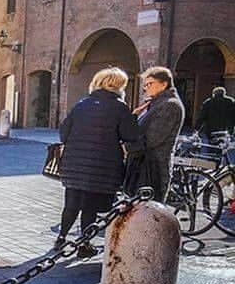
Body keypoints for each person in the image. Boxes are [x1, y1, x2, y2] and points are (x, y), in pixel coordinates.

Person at [56, 67, 142, 246]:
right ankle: (84, 244)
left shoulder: (82, 104)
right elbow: (130, 135)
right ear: (119, 86)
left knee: (71, 204)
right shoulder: (120, 107)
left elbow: (63, 133)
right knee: (90, 208)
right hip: (102, 167)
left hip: (74, 165)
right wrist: (133, 118)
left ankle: (61, 238)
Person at [128, 66, 185, 202]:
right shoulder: (155, 103)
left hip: (154, 170)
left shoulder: (170, 105)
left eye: (150, 84)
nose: (146, 88)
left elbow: (152, 139)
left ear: (164, 84)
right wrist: (135, 116)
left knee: (149, 216)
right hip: (143, 166)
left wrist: (127, 147)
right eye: (145, 85)